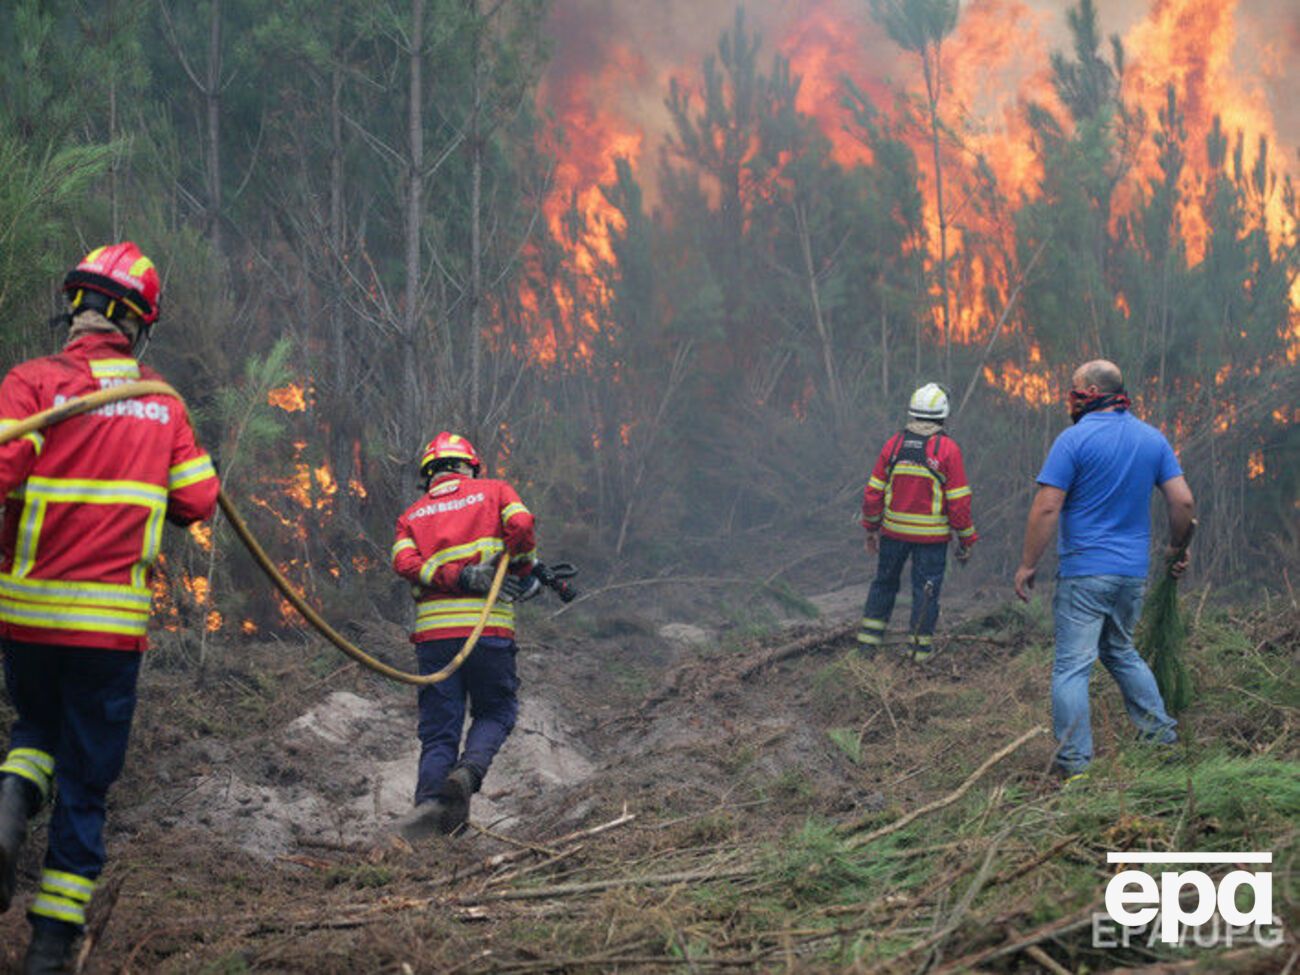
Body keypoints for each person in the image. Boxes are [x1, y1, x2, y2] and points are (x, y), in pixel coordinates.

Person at [0, 243, 220, 972]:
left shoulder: (30, 383)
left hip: (27, 616)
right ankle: (50, 946)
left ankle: (8, 809)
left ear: (78, 308)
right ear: (138, 324)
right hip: (107, 631)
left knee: (34, 727)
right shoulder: (164, 404)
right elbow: (199, 499)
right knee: (87, 782)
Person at [1014, 359, 1193, 783]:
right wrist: (1176, 547)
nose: (1069, 398)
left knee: (1072, 667)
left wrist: (1027, 564)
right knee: (1120, 651)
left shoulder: (1073, 440)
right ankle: (1161, 739)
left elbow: (1047, 505)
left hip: (1085, 572)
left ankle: (1076, 765)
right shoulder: (1153, 439)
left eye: (1075, 389)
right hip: (1131, 574)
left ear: (1092, 392)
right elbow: (1182, 502)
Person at [390, 432, 542, 839]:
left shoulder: (412, 515)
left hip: (435, 639)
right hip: (488, 631)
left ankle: (428, 826)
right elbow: (522, 525)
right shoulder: (495, 491)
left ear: (430, 475)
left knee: (439, 731)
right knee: (496, 711)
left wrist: (457, 576)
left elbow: (404, 563)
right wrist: (520, 571)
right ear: (469, 466)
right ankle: (468, 772)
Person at [859, 383, 977, 660]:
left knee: (883, 584)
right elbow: (958, 502)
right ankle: (918, 656)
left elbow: (873, 492)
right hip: (931, 541)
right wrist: (967, 538)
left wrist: (871, 528)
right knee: (926, 593)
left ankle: (866, 649)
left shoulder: (894, 444)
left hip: (893, 535)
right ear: (943, 414)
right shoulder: (947, 449)